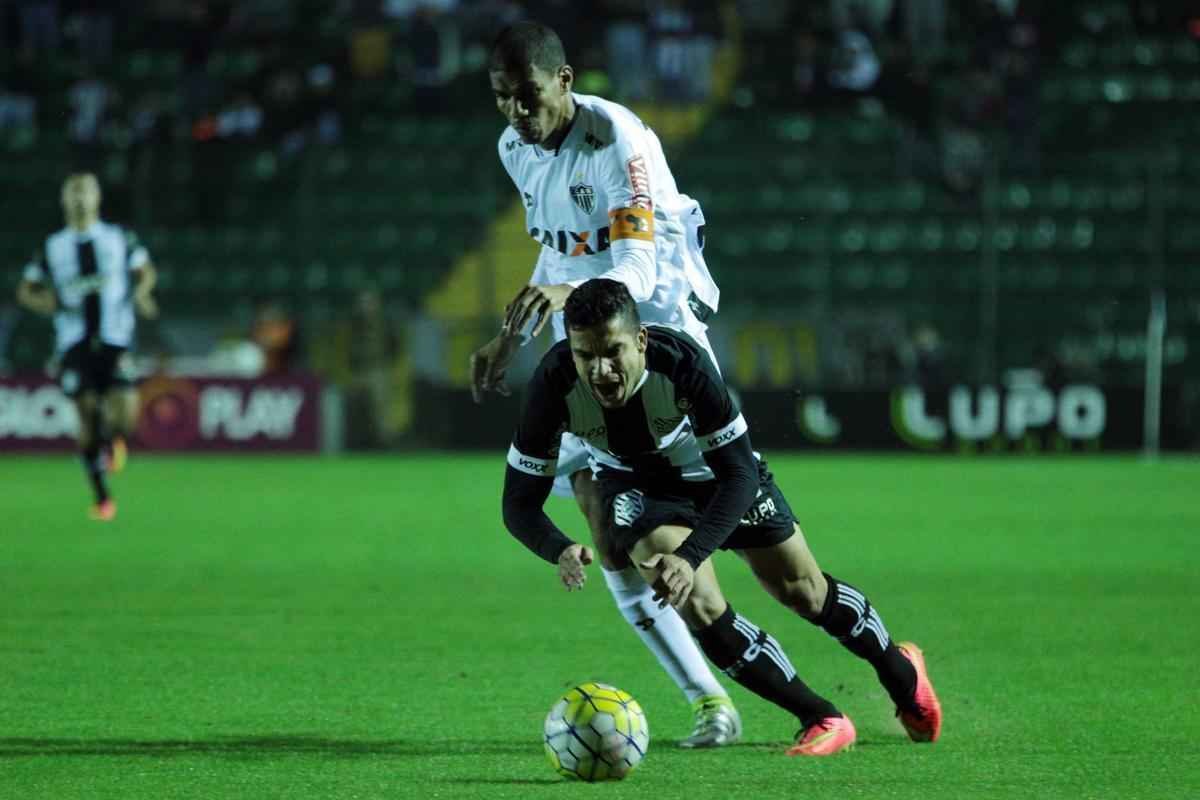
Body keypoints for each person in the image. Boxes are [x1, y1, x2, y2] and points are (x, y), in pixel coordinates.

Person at [502, 279, 943, 756]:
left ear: (642, 341)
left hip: (717, 476)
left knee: (803, 591)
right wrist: (559, 547)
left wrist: (692, 555)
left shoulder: (684, 364)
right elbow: (518, 503)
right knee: (696, 602)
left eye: (613, 351)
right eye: (586, 355)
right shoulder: (552, 385)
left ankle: (901, 672)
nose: (601, 370)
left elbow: (739, 474)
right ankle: (820, 716)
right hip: (640, 486)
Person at [469, 21, 738, 747]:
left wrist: (562, 299)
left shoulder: (618, 139)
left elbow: (640, 273)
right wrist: (513, 332)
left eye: (526, 96)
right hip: (589, 347)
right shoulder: (513, 149)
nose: (515, 113)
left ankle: (810, 650)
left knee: (742, 538)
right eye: (501, 98)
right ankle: (710, 701)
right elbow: (559, 254)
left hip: (660, 335)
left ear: (565, 80)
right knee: (608, 527)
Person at [14, 173, 158, 521]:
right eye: (73, 192)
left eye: (86, 191)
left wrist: (141, 294)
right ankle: (102, 497)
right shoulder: (53, 246)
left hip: (115, 336)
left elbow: (146, 271)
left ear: (97, 198)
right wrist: (44, 302)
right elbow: (26, 288)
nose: (80, 198)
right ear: (64, 200)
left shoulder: (118, 237)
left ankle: (113, 441)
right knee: (87, 411)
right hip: (73, 341)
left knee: (124, 413)